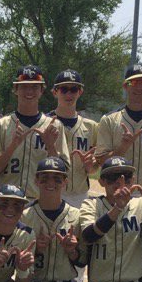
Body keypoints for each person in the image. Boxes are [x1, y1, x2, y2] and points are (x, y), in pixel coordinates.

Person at [0, 65, 69, 199]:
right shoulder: (2, 125)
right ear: (16, 89)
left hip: (40, 202)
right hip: (7, 200)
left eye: (34, 87)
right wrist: (12, 146)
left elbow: (63, 172)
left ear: (42, 90)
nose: (29, 91)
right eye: (24, 86)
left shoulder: (54, 126)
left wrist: (50, 146)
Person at [49, 69, 99, 208]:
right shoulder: (45, 123)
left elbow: (94, 167)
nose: (69, 94)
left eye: (74, 89)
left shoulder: (92, 127)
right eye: (64, 89)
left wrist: (91, 166)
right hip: (49, 191)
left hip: (79, 194)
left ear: (80, 91)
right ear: (55, 92)